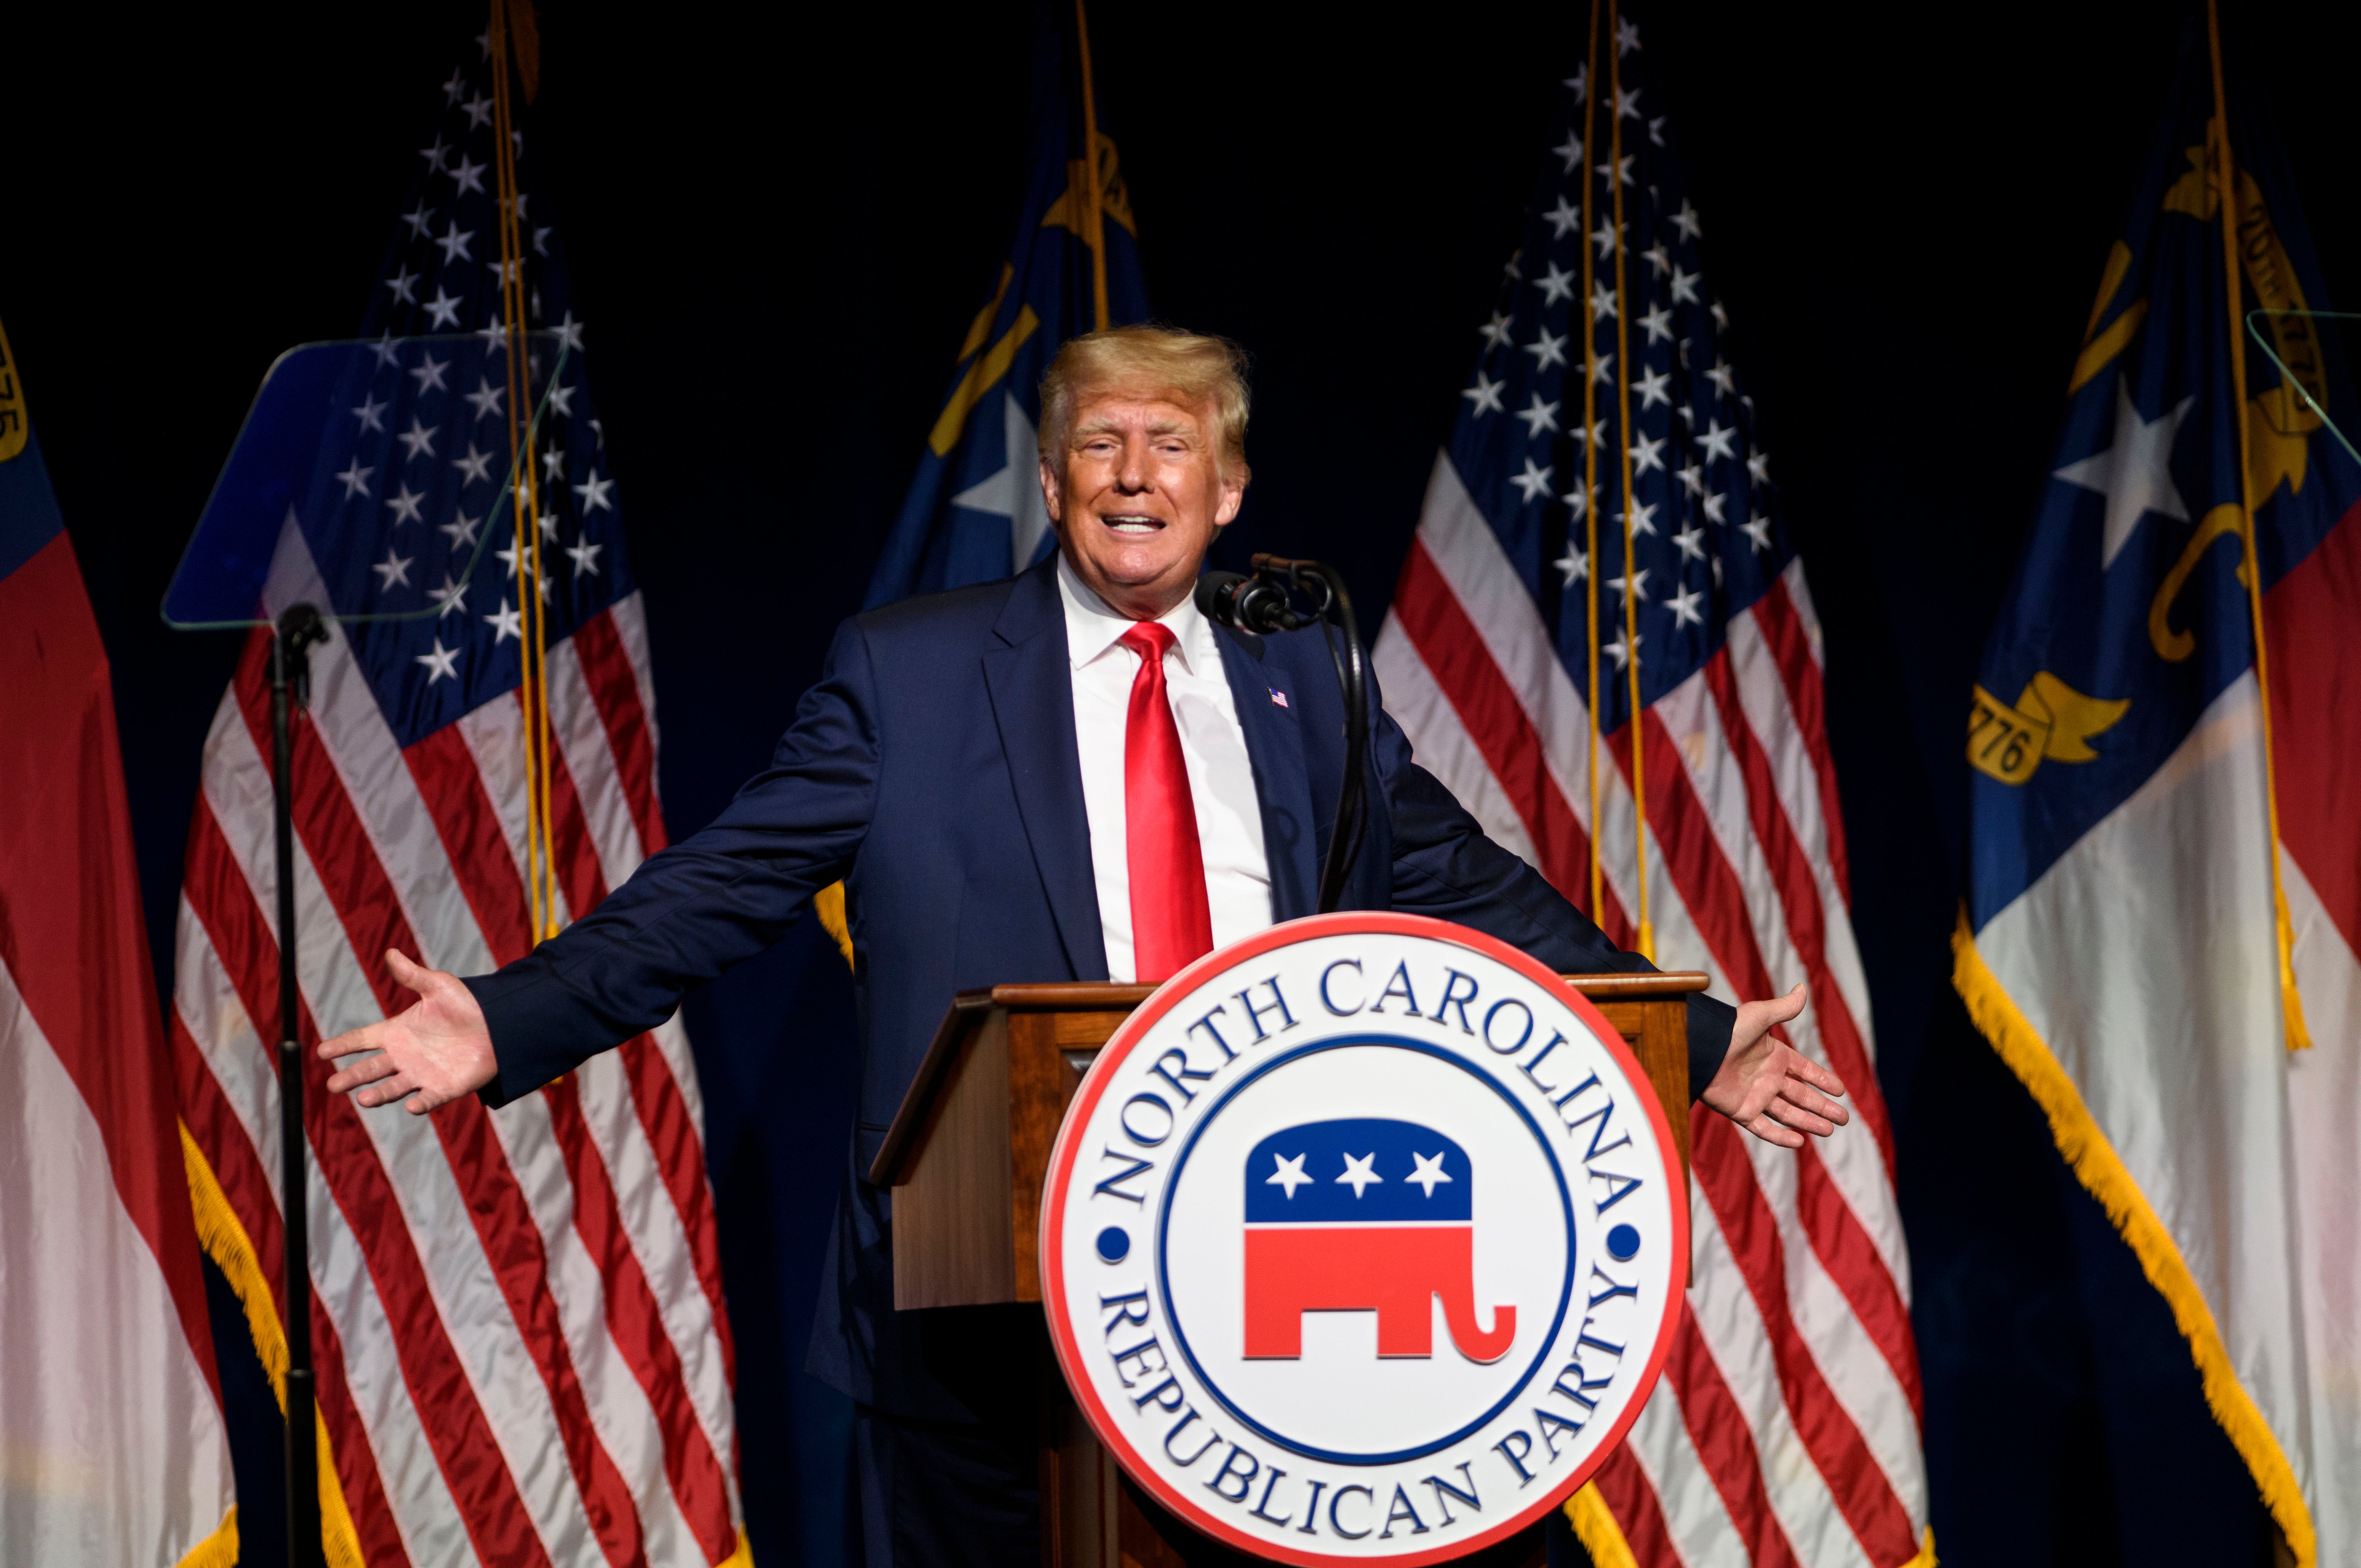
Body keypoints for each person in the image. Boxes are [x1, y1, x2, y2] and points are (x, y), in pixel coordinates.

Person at [320, 326, 1849, 1565]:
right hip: (983, 1321)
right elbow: (726, 885)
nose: (1135, 474)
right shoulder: (908, 677)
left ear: (1229, 487)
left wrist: (1697, 1043)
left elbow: (1456, 879)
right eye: (1101, 445)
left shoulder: (1302, 671)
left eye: (1171, 443)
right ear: (1051, 485)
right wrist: (514, 1019)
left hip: (1259, 1307)